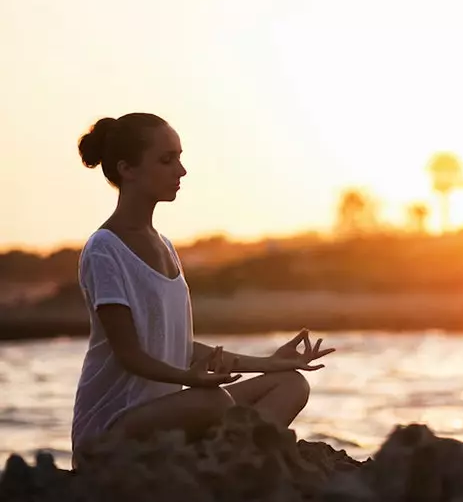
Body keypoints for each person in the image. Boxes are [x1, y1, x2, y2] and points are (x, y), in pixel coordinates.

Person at [71, 112, 334, 466]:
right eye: (167, 160)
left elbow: (181, 348)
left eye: (179, 158)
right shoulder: (105, 248)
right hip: (110, 429)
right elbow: (129, 354)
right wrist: (189, 379)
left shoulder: (165, 245)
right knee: (212, 402)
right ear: (127, 169)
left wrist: (269, 363)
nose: (181, 171)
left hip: (169, 418)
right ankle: (224, 459)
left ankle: (220, 462)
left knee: (290, 384)